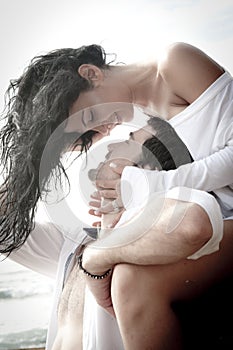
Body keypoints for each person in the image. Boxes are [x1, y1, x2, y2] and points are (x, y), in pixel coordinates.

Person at [0, 41, 232, 348]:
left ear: (91, 73)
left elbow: (190, 216)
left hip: (216, 224)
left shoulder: (173, 63)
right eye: (88, 136)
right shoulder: (147, 121)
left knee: (128, 282)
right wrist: (29, 161)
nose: (105, 133)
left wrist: (141, 185)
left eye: (88, 121)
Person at [52, 116, 223, 350]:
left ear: (148, 169)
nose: (111, 144)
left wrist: (96, 258)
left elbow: (193, 226)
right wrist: (58, 142)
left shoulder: (161, 232)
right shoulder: (77, 241)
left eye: (129, 141)